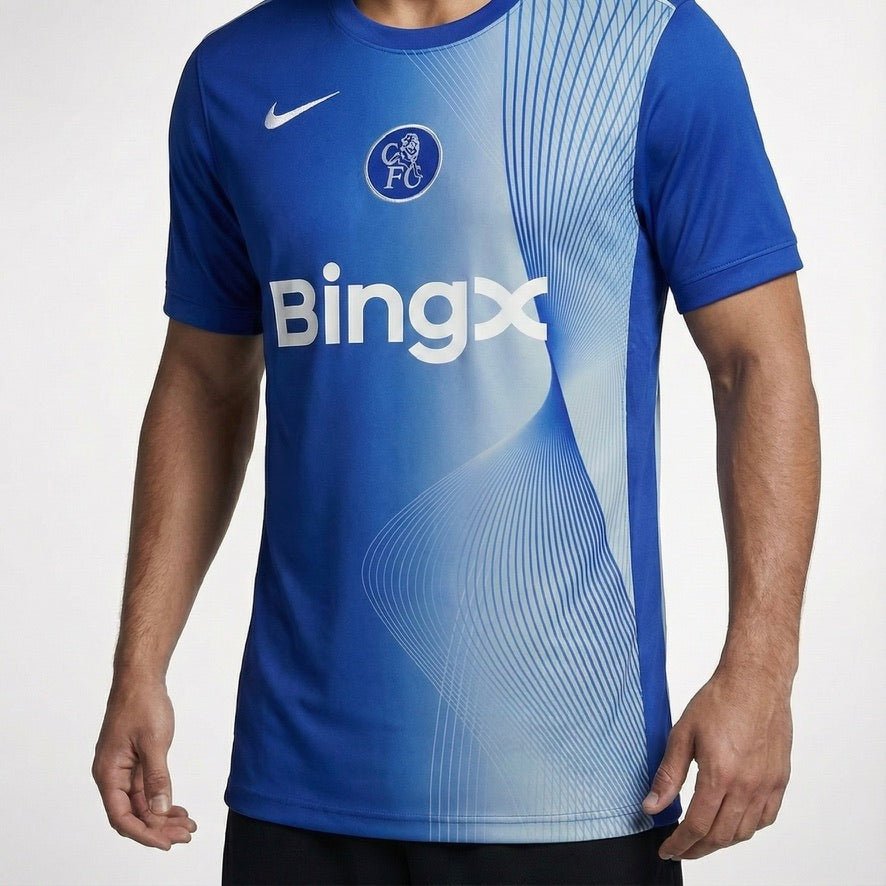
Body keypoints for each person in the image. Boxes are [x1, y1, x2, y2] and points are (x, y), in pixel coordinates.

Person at [91, 0, 820, 883]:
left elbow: (757, 364)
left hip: (575, 782)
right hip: (298, 788)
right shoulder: (233, 76)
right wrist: (140, 664)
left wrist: (761, 671)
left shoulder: (648, 45)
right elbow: (203, 381)